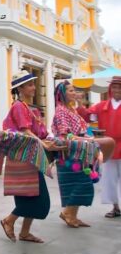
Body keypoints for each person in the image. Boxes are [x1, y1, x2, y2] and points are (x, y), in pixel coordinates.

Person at [0, 70, 56, 243]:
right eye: (30, 84)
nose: (34, 87)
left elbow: (42, 133)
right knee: (32, 197)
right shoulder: (18, 107)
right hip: (22, 159)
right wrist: (43, 143)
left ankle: (24, 232)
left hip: (32, 158)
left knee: (34, 195)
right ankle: (9, 220)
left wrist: (51, 141)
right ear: (20, 88)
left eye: (33, 84)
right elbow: (25, 131)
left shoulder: (32, 109)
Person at [52, 80, 94, 228]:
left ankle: (72, 215)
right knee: (80, 184)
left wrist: (86, 137)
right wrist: (84, 138)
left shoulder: (72, 109)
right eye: (70, 90)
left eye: (73, 90)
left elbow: (82, 127)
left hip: (79, 151)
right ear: (62, 93)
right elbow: (64, 135)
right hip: (69, 155)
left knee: (82, 183)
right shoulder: (61, 111)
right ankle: (68, 213)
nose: (73, 93)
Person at [88, 76, 121, 218]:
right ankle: (115, 207)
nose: (117, 90)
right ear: (110, 89)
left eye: (119, 87)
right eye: (114, 87)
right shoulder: (101, 106)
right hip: (108, 146)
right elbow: (88, 115)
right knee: (109, 178)